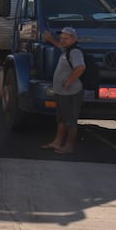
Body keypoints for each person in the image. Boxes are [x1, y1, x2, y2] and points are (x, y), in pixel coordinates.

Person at [41, 26, 85, 154]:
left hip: (71, 92)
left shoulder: (75, 52)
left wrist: (68, 82)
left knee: (70, 120)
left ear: (73, 39)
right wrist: (50, 39)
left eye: (66, 38)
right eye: (61, 38)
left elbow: (81, 68)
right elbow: (59, 45)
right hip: (61, 92)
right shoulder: (66, 50)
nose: (63, 40)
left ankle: (69, 146)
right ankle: (57, 142)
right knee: (61, 119)